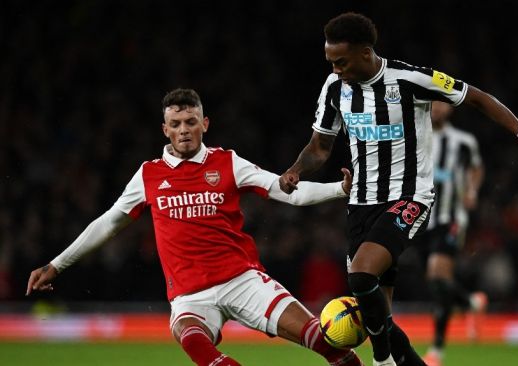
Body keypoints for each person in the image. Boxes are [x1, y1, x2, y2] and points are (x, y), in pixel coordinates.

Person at [278, 12, 518, 366]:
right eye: (331, 62)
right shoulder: (335, 88)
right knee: (381, 314)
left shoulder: (410, 79)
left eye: (341, 62)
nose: (336, 70)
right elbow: (320, 147)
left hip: (409, 197)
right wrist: (296, 170)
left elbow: (477, 97)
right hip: (361, 204)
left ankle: (381, 362)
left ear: (366, 53)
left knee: (361, 273)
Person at [26, 88, 364, 366]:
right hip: (191, 296)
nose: (184, 129)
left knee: (324, 342)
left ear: (204, 123)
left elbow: (286, 191)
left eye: (190, 121)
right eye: (176, 123)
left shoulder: (227, 162)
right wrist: (57, 264)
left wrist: (339, 189)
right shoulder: (149, 174)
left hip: (242, 280)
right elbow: (109, 222)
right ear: (165, 129)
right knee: (193, 339)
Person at [421, 101, 486, 366]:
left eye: (442, 104)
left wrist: (472, 191)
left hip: (451, 217)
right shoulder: (418, 136)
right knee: (436, 281)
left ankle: (437, 349)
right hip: (423, 218)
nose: (437, 109)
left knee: (437, 274)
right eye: (433, 104)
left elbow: (477, 168)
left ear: (450, 109)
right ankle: (470, 302)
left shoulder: (463, 141)